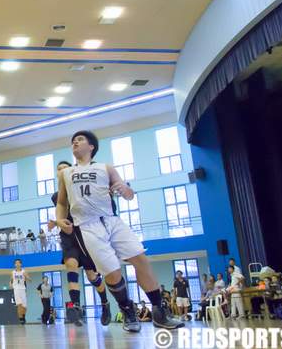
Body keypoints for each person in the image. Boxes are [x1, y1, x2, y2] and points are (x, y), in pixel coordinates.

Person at [55, 130, 183, 332]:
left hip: (112, 221)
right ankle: (127, 310)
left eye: (79, 140)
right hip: (88, 226)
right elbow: (62, 202)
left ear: (91, 147)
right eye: (72, 141)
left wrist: (126, 191)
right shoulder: (65, 174)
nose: (74, 143)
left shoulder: (106, 168)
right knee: (112, 274)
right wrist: (60, 219)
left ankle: (159, 311)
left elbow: (127, 193)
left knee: (141, 259)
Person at [49, 160, 111, 327]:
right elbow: (61, 214)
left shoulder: (81, 189)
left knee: (92, 276)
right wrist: (56, 223)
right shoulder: (56, 197)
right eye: (58, 169)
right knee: (71, 265)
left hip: (85, 234)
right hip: (68, 236)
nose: (61, 171)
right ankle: (75, 307)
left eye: (65, 169)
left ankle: (105, 303)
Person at [10, 258, 30, 324]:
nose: (17, 264)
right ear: (15, 264)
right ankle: (20, 318)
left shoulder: (23, 271)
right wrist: (10, 283)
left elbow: (29, 279)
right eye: (16, 263)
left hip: (23, 289)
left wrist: (27, 277)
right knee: (19, 304)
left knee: (24, 306)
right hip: (16, 289)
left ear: (21, 264)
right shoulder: (13, 272)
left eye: (18, 263)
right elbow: (11, 280)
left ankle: (23, 316)